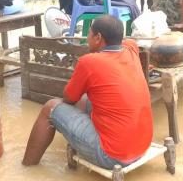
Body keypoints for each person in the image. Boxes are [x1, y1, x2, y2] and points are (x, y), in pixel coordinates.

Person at [22, 15, 153, 169]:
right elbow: (128, 42)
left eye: (89, 34)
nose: (86, 39)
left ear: (98, 38)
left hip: (113, 156)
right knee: (86, 98)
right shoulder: (131, 50)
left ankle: (27, 168)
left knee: (50, 108)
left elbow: (69, 98)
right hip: (142, 147)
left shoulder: (88, 61)